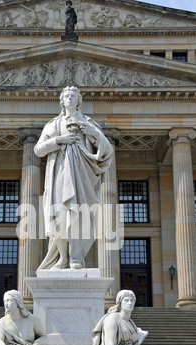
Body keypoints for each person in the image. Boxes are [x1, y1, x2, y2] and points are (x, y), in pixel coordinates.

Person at [34, 86, 113, 270]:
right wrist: (59, 141)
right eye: (66, 96)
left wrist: (91, 133)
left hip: (82, 174)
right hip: (59, 173)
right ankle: (62, 258)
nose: (69, 99)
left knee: (78, 215)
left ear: (79, 101)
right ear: (62, 101)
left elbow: (107, 150)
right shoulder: (53, 125)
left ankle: (76, 257)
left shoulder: (88, 122)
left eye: (73, 96)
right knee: (60, 215)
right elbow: (38, 150)